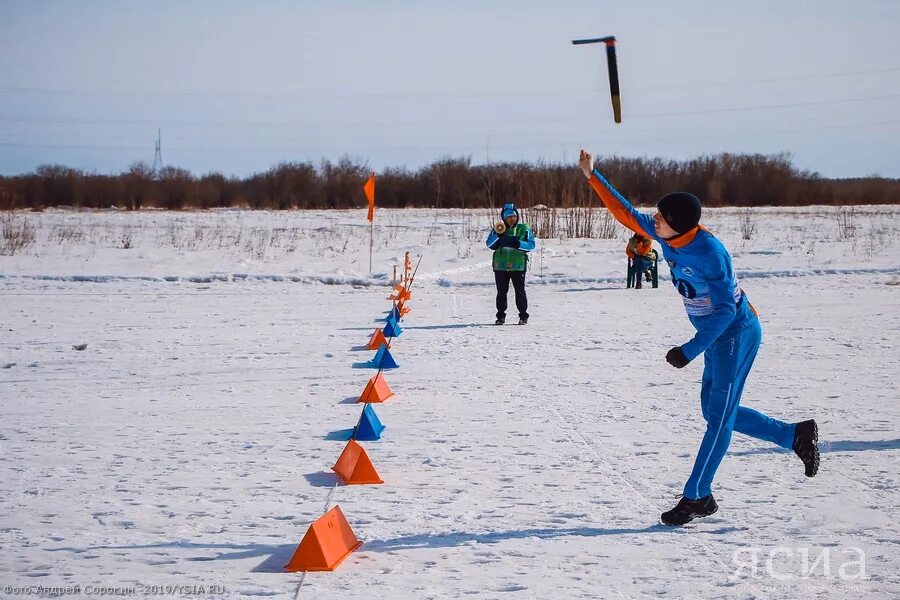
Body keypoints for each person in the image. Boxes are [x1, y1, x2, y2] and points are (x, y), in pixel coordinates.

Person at [578, 149, 820, 526]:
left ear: (677, 224)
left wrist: (690, 350)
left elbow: (725, 310)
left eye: (659, 216)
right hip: (714, 335)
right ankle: (793, 436)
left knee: (718, 421)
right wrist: (593, 176)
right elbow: (625, 212)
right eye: (655, 215)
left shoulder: (710, 253)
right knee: (714, 410)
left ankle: (696, 497)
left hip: (735, 333)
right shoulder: (666, 235)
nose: (652, 219)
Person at [485, 203, 536, 325]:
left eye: (513, 216)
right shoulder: (499, 228)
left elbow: (531, 245)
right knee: (501, 292)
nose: (511, 219)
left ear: (517, 216)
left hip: (518, 266)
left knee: (520, 291)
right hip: (500, 266)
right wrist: (499, 236)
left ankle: (523, 316)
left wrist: (517, 243)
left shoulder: (524, 228)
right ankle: (500, 316)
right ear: (503, 217)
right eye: (508, 217)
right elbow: (489, 244)